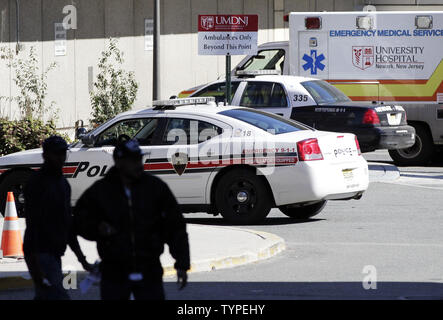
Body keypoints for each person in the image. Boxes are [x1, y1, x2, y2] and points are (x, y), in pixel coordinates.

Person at [74, 139, 190, 300]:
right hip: (114, 271)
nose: (138, 164)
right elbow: (79, 220)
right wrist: (97, 228)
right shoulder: (101, 191)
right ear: (120, 162)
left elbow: (175, 225)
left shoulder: (155, 187)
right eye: (133, 160)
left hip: (149, 269)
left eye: (139, 159)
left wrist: (182, 264)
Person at [24, 136, 93, 300]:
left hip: (54, 253)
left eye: (63, 153)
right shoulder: (37, 183)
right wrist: (34, 264)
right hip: (41, 253)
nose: (61, 158)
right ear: (45, 155)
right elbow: (33, 224)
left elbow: (67, 223)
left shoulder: (62, 184)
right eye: (57, 154)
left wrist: (81, 259)